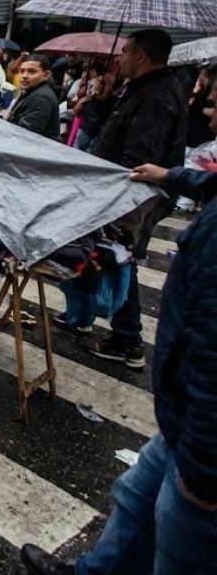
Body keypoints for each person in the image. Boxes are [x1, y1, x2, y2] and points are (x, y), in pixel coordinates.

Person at [21, 73, 217, 574]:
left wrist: (203, 472)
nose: (209, 111)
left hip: (204, 451)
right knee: (133, 502)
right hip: (182, 423)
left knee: (178, 553)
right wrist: (171, 176)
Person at [86, 29, 189, 369]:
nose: (120, 57)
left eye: (126, 51)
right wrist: (103, 102)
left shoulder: (157, 96)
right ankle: (83, 313)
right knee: (103, 252)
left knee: (118, 256)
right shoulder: (142, 89)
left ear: (142, 56)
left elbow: (139, 158)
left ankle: (128, 340)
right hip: (121, 193)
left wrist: (111, 191)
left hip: (132, 197)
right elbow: (116, 134)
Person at [6, 54, 60, 139]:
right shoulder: (33, 91)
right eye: (22, 71)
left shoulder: (41, 98)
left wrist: (7, 117)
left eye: (31, 71)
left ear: (46, 75)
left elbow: (23, 134)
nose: (24, 76)